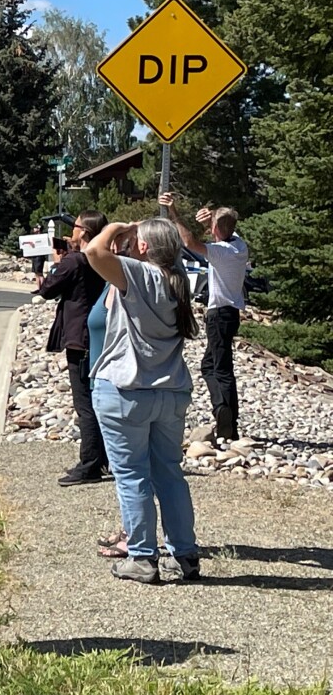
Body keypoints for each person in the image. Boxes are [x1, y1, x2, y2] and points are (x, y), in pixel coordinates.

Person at [84, 218, 201, 584]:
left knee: (132, 476)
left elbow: (93, 251)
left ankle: (143, 557)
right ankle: (185, 554)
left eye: (135, 240)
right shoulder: (179, 280)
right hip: (171, 389)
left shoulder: (138, 274)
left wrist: (114, 227)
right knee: (170, 474)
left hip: (126, 388)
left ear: (145, 248)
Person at [165, 192, 248, 441]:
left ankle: (224, 413)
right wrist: (209, 222)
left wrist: (174, 213)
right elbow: (222, 230)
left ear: (215, 229)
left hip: (219, 313)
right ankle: (227, 418)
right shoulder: (239, 245)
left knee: (218, 367)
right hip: (231, 312)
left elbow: (189, 243)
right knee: (213, 364)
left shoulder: (222, 251)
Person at [38, 211, 109, 486]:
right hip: (96, 335)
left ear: (86, 232)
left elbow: (47, 290)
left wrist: (59, 261)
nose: (73, 230)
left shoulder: (75, 261)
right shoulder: (98, 257)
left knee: (85, 405)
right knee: (96, 400)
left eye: (76, 226)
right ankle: (101, 458)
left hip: (80, 339)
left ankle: (90, 464)